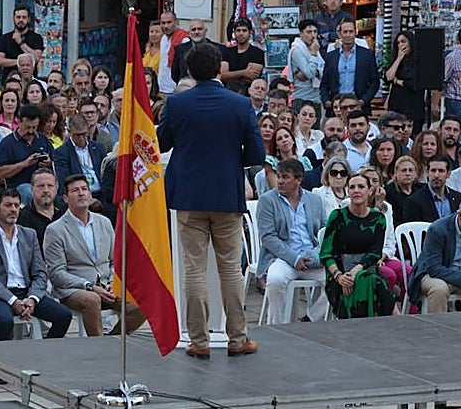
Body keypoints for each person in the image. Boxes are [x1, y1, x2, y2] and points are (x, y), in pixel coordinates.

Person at [157, 41, 264, 358]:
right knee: (231, 269)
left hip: (189, 195)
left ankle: (199, 341)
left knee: (194, 270)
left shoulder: (178, 104)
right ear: (221, 68)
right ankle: (237, 337)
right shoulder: (239, 105)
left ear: (189, 70)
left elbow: (161, 143)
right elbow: (256, 153)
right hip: (227, 195)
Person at [43, 174, 144, 336]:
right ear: (65, 198)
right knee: (92, 299)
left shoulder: (104, 222)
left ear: (90, 195)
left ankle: (113, 341)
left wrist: (113, 281)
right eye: (75, 191)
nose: (81, 193)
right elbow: (56, 273)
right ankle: (98, 343)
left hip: (106, 285)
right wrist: (89, 285)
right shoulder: (55, 230)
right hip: (75, 289)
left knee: (140, 303)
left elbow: (114, 261)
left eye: (84, 189)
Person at [0, 187, 71, 341]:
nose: (13, 210)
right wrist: (13, 301)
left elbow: (40, 273)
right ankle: (1, 361)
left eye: (17, 206)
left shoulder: (29, 234)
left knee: (63, 315)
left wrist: (32, 298)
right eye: (8, 205)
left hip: (27, 292)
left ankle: (46, 353)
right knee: (4, 320)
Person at [256, 159, 330, 324]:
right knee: (275, 280)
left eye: (285, 177)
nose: (280, 181)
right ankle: (276, 325)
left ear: (298, 179)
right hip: (282, 257)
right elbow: (268, 237)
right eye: (279, 176)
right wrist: (294, 259)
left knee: (339, 280)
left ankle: (310, 319)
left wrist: (318, 254)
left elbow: (324, 232)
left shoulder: (314, 200)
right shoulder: (267, 200)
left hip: (311, 256)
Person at [319, 173, 397, 318]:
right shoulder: (337, 216)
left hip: (366, 270)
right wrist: (340, 277)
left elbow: (375, 253)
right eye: (352, 187)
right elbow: (326, 254)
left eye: (361, 186)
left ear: (370, 191)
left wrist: (353, 274)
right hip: (339, 273)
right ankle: (395, 318)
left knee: (368, 279)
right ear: (348, 192)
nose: (356, 190)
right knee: (373, 281)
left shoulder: (378, 218)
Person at [0, 103, 53, 206]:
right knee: (28, 192)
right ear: (19, 122)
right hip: (18, 187)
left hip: (43, 184)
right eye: (27, 127)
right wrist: (24, 164)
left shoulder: (43, 139)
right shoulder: (7, 143)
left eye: (34, 127)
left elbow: (57, 162)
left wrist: (49, 163)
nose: (31, 131)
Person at [321, 19, 379, 113]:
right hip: (337, 107)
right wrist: (326, 101)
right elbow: (324, 83)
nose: (348, 35)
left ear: (356, 32)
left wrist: (363, 101)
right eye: (345, 32)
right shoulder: (331, 56)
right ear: (340, 34)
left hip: (358, 106)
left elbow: (375, 82)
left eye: (351, 31)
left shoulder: (367, 55)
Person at [384, 31, 427, 132]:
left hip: (413, 105)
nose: (401, 45)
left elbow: (415, 84)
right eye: (398, 43)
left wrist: (398, 81)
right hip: (397, 103)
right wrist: (399, 59)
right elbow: (388, 77)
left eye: (403, 41)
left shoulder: (419, 61)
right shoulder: (396, 61)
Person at [406, 156, 461, 223]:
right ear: (427, 172)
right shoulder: (414, 201)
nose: (436, 175)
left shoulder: (459, 199)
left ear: (448, 174)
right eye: (433, 171)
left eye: (441, 171)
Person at [220, 18, 266, 95]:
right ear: (234, 33)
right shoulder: (226, 52)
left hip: (249, 96)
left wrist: (231, 75)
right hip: (228, 94)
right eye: (238, 30)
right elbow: (222, 76)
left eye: (244, 30)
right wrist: (244, 72)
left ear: (250, 32)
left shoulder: (257, 53)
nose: (241, 33)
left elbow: (251, 78)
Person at [289, 18, 325, 115]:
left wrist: (316, 72)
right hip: (301, 97)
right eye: (309, 32)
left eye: (315, 32)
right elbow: (309, 73)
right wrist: (313, 54)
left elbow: (324, 70)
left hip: (316, 97)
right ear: (301, 34)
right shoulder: (297, 50)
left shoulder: (316, 48)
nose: (313, 35)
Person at [0, 6, 43, 77]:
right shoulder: (5, 38)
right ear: (14, 18)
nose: (21, 20)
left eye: (24, 17)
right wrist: (19, 62)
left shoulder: (36, 38)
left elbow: (36, 58)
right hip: (9, 80)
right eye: (18, 17)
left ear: (28, 19)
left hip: (30, 81)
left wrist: (21, 43)